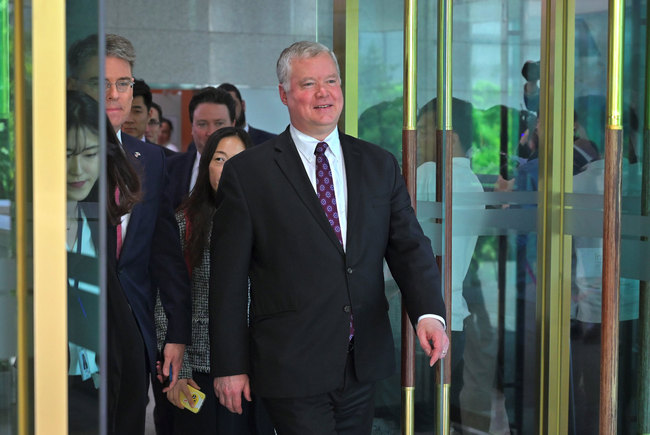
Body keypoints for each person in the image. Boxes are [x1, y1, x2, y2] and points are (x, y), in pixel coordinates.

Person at [209, 41, 448, 435]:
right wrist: (230, 365)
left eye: (331, 81)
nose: (324, 92)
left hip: (361, 359)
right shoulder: (249, 173)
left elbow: (408, 246)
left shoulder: (378, 164)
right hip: (290, 361)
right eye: (308, 83)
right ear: (284, 94)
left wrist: (428, 313)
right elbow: (227, 280)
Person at [67, 33, 192, 413]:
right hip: (75, 336)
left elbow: (164, 253)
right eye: (99, 83)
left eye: (123, 84)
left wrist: (176, 331)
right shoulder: (60, 160)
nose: (113, 95)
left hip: (134, 335)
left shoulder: (150, 159)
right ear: (73, 86)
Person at [155, 127, 273, 434]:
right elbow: (164, 300)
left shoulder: (274, 223)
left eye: (239, 159)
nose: (230, 168)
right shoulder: (185, 222)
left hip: (260, 369)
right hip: (199, 368)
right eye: (220, 159)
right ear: (206, 165)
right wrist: (178, 372)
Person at [66, 90, 147, 434]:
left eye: (89, 154)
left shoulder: (97, 221)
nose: (77, 168)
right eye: (66, 153)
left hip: (97, 390)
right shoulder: (23, 228)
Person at [166, 87, 236, 209]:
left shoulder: (249, 170)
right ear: (192, 128)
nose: (211, 132)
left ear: (233, 125)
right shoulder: (169, 169)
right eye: (202, 124)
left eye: (219, 123)